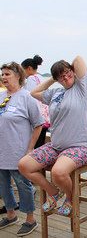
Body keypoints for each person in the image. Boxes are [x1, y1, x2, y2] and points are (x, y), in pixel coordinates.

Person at [18, 56, 87, 217]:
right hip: (56, 146)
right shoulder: (56, 92)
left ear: (73, 72)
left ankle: (70, 197)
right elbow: (33, 92)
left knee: (58, 172)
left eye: (67, 73)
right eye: (61, 76)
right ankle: (53, 192)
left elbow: (79, 59)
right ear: (57, 79)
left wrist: (67, 68)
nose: (65, 77)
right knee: (24, 165)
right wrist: (53, 78)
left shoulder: (82, 89)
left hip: (80, 146)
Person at [0, 62, 43, 236]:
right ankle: (11, 214)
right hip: (1, 150)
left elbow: (39, 124)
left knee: (23, 185)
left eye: (7, 74)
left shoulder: (27, 97)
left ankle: (30, 219)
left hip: (19, 152)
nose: (3, 77)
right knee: (3, 185)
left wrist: (30, 149)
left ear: (18, 76)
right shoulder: (1, 95)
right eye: (2, 74)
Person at [21, 55, 50, 148]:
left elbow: (28, 97)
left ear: (29, 68)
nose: (22, 73)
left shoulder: (30, 79)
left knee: (33, 143)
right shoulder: (41, 77)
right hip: (45, 115)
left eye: (22, 70)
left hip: (35, 116)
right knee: (40, 143)